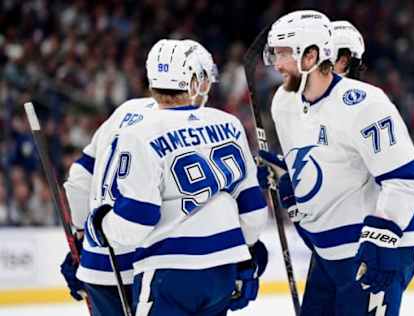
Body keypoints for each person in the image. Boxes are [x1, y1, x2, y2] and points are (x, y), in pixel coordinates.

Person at [260, 10, 414, 316]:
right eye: (274, 54)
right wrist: (289, 186)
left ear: (311, 56)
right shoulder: (283, 102)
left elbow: (407, 181)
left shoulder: (365, 103)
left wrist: (382, 237)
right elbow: (313, 173)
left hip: (368, 250)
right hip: (327, 254)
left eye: (285, 54)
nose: (276, 65)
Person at [84, 39, 268, 316]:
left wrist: (99, 228)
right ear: (194, 81)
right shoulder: (228, 123)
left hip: (169, 269)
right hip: (223, 268)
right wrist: (246, 257)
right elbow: (253, 208)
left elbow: (137, 220)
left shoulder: (140, 132)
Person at [60, 39, 220, 315]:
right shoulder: (196, 126)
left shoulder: (125, 111)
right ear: (196, 81)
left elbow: (78, 179)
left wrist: (83, 240)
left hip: (99, 263)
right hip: (150, 265)